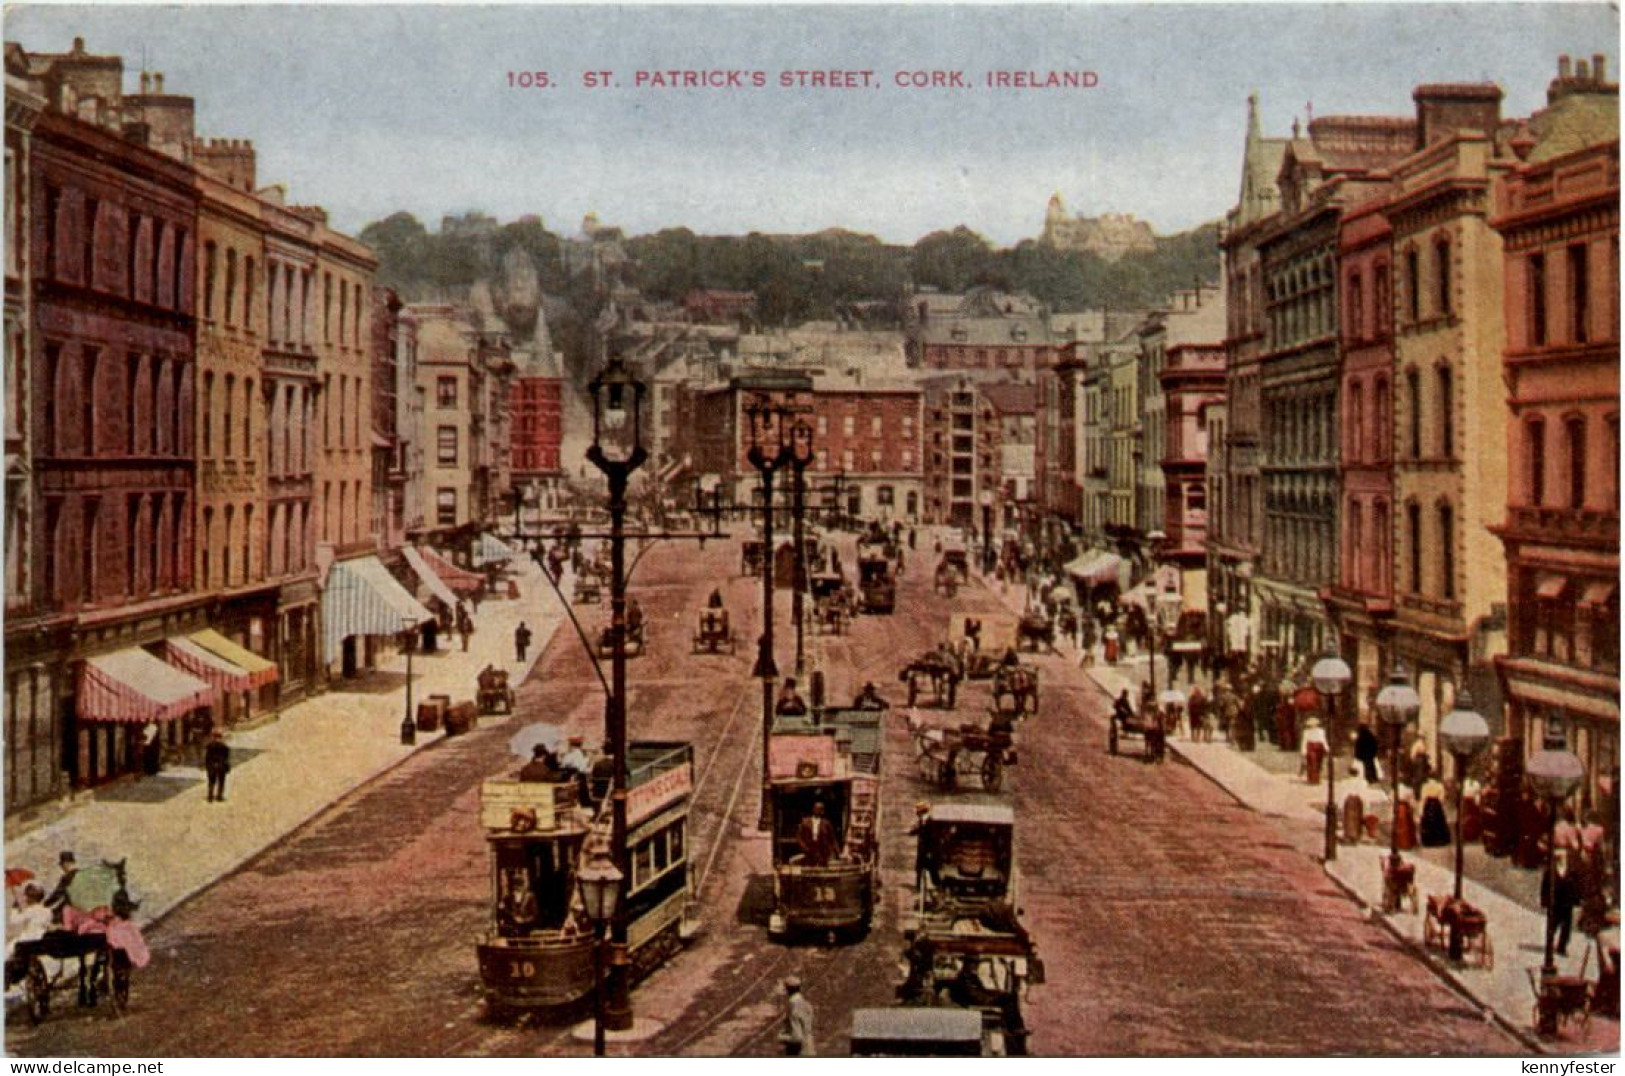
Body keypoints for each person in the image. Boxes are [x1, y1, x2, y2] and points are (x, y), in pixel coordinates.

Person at [781, 977, 815, 1056]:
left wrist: (782, 1037)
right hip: (809, 1046)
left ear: (787, 989)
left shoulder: (793, 1006)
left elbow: (796, 1037)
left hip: (799, 1050)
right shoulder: (807, 1004)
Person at [797, 802, 839, 867]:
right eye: (816, 808)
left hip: (822, 851)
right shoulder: (805, 822)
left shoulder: (826, 823)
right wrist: (804, 847)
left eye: (820, 809)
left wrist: (837, 852)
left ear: (823, 811)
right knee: (809, 869)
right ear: (813, 809)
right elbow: (799, 837)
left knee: (822, 869)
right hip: (809, 849)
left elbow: (832, 839)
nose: (818, 811)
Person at [43, 852, 77, 918]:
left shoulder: (67, 877)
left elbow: (57, 894)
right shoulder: (81, 874)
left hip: (70, 907)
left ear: (65, 864)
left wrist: (44, 905)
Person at [1300, 717, 1328, 786]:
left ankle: (1317, 779)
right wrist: (1303, 750)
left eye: (1314, 724)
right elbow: (1304, 741)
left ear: (1317, 724)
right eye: (1311, 725)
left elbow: (1323, 740)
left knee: (1319, 763)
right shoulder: (1306, 732)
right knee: (1312, 762)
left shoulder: (1321, 731)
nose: (1313, 726)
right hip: (1310, 747)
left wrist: (1327, 748)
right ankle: (1311, 779)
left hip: (1319, 747)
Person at [205, 730, 231, 803]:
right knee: (221, 782)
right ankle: (219, 796)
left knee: (211, 782)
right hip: (221, 766)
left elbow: (207, 757)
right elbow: (226, 757)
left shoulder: (209, 746)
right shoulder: (224, 747)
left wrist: (207, 766)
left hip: (212, 766)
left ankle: (210, 796)